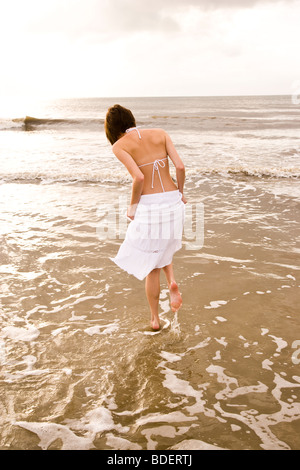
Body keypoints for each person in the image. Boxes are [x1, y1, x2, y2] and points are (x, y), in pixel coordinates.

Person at [105, 104, 186, 331]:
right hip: (172, 200)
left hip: (150, 205)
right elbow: (180, 166)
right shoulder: (160, 133)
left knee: (152, 266)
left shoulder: (119, 146)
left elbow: (139, 177)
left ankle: (155, 319)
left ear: (112, 128)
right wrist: (180, 192)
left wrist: (132, 207)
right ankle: (172, 282)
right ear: (131, 118)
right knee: (164, 248)